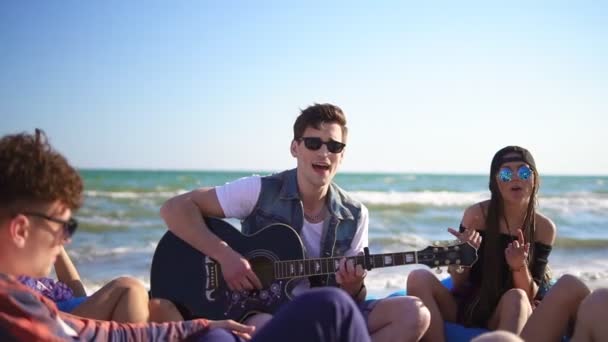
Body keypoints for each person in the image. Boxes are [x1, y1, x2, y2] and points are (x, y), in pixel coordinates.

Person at [0, 129, 373, 342]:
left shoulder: (24, 304)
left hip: (211, 323)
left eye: (335, 145)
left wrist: (203, 324)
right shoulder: (18, 313)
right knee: (333, 308)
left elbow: (97, 330)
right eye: (63, 227)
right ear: (19, 229)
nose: (66, 240)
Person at [160, 103, 431, 341]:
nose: (324, 152)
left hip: (324, 311)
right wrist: (225, 255)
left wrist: (353, 285)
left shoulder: (356, 214)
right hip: (260, 310)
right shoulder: (259, 190)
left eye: (334, 146)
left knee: (414, 314)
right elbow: (175, 208)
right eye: (314, 143)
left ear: (342, 155)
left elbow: (353, 299)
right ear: (295, 147)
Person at [407, 146, 556, 341]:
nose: (515, 178)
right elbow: (459, 283)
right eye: (505, 173)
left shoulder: (544, 228)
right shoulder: (476, 216)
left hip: (508, 310)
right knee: (418, 277)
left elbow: (529, 295)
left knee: (517, 298)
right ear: (495, 181)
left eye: (523, 171)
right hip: (468, 305)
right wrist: (463, 257)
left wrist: (519, 267)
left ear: (534, 178)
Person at [18, 245, 183, 323]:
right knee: (128, 288)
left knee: (162, 307)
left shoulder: (43, 282)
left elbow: (78, 295)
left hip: (76, 313)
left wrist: (57, 247)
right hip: (55, 323)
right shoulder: (11, 278)